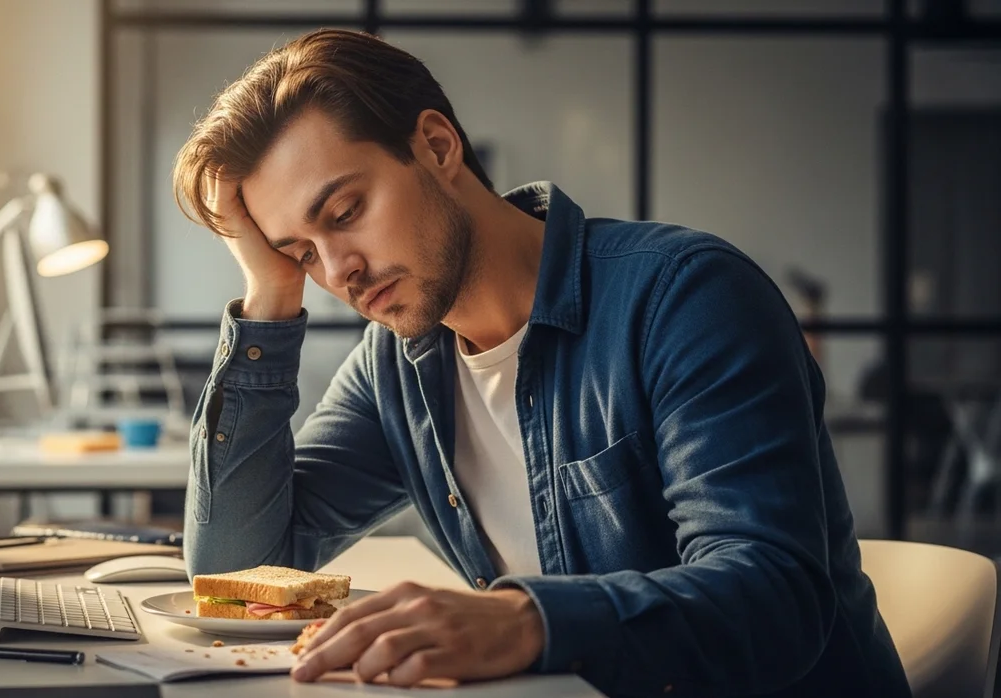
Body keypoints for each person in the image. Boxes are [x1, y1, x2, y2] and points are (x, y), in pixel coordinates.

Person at [171, 28, 911, 697]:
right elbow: (235, 579)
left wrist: (523, 622)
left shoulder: (686, 298)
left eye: (344, 214)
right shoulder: (396, 369)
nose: (340, 273)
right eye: (303, 254)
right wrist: (269, 294)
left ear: (436, 146)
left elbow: (775, 599)